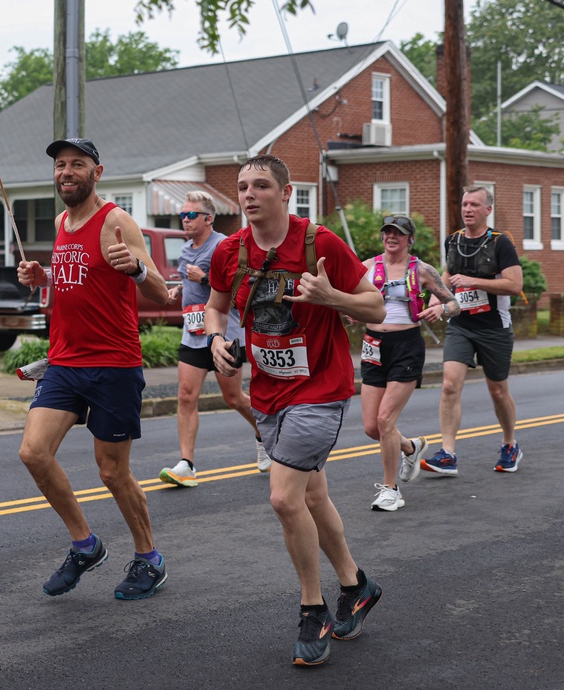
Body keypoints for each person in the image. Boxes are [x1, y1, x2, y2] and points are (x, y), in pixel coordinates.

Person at [205, 155, 386, 666]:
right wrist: (217, 339)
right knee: (312, 496)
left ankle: (314, 610)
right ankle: (357, 586)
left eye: (261, 185)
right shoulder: (230, 252)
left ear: (286, 194)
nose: (249, 194)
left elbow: (375, 306)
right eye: (242, 186)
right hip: (268, 393)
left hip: (321, 389)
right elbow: (217, 306)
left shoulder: (319, 243)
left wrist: (332, 295)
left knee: (284, 499)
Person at [17, 138, 170, 600]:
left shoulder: (116, 221)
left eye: (76, 165)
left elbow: (162, 292)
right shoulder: (63, 221)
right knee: (33, 453)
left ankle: (150, 559)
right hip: (64, 362)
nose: (66, 171)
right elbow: (76, 280)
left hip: (113, 364)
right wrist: (43, 278)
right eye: (60, 165)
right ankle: (85, 544)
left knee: (112, 472)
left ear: (97, 173)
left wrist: (137, 270)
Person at [159, 190, 270, 488]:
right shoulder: (185, 250)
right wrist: (178, 290)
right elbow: (190, 284)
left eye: (191, 215)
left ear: (209, 218)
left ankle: (264, 434)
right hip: (193, 334)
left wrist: (205, 279)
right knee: (185, 396)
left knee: (233, 398)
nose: (185, 219)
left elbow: (240, 293)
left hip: (224, 335)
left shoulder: (223, 246)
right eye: (183, 214)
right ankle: (186, 464)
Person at [354, 214, 459, 511]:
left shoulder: (423, 270)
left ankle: (391, 490)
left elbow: (455, 303)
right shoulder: (366, 267)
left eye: (398, 233)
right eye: (387, 232)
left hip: (407, 347)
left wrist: (441, 311)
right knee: (372, 427)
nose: (391, 237)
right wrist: (351, 311)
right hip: (373, 345)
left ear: (409, 239)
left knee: (386, 419)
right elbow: (348, 298)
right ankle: (410, 448)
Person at [420, 186, 524, 476]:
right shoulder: (452, 241)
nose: (467, 209)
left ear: (487, 210)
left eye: (475, 205)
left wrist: (475, 281)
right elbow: (447, 276)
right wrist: (436, 301)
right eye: (465, 204)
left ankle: (509, 444)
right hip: (461, 326)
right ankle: (448, 453)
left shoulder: (500, 243)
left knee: (498, 391)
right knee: (450, 385)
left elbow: (515, 285)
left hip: (494, 327)